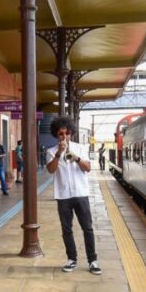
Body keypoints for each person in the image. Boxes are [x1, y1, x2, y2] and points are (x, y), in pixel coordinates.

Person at [46, 116, 101, 275]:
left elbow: (87, 168)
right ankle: (72, 259)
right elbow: (50, 170)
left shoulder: (81, 147)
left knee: (87, 228)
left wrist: (74, 156)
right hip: (63, 196)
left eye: (67, 133)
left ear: (71, 133)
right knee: (66, 229)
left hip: (80, 194)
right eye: (61, 134)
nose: (64, 136)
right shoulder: (51, 151)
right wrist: (59, 154)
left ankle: (92, 261)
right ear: (57, 135)